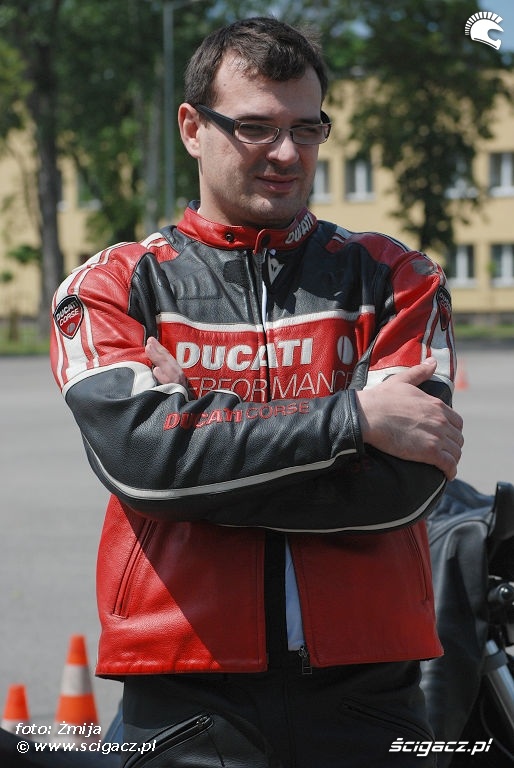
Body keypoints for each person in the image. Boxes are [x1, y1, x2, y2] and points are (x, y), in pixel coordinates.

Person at [50, 16, 464, 768]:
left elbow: (404, 489)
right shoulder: (112, 285)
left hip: (372, 690)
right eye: (255, 128)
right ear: (191, 127)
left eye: (307, 128)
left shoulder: (400, 278)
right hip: (183, 689)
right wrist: (355, 418)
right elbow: (143, 464)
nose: (287, 153)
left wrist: (198, 453)